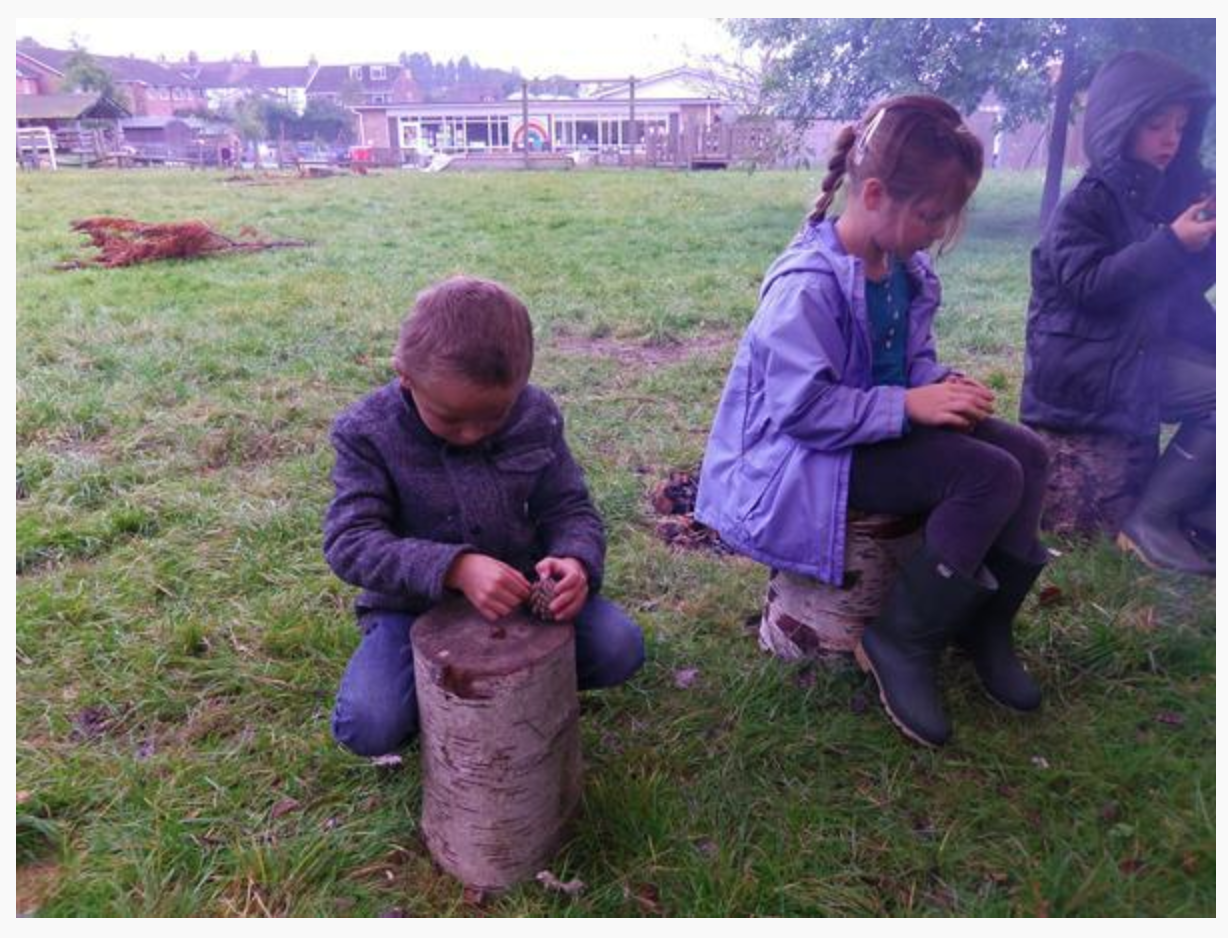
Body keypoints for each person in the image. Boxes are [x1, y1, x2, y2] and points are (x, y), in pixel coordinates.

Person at [696, 95, 1050, 748]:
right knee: (986, 477)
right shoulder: (808, 286)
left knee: (1026, 456)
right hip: (806, 459)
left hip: (871, 430)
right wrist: (910, 406)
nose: (938, 233)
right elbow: (801, 411)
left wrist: (935, 384)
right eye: (931, 216)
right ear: (877, 193)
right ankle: (900, 643)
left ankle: (986, 624)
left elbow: (907, 360)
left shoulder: (903, 271)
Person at [324, 276, 645, 756]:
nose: (472, 434)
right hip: (412, 610)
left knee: (620, 648)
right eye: (451, 419)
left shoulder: (535, 413)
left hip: (522, 601)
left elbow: (569, 507)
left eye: (494, 417)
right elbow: (350, 542)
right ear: (404, 376)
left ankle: (515, 690)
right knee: (368, 725)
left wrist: (575, 562)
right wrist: (454, 567)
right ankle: (445, 699)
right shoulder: (366, 433)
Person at [1022, 49, 1215, 574]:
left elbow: (1178, 285)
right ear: (1119, 125)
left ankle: (1200, 514)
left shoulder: (1159, 193)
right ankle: (1150, 521)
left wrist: (1206, 242)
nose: (1171, 139)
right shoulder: (1086, 204)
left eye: (1179, 126)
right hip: (1087, 367)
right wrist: (1174, 243)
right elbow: (1091, 285)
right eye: (1156, 126)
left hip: (1134, 348)